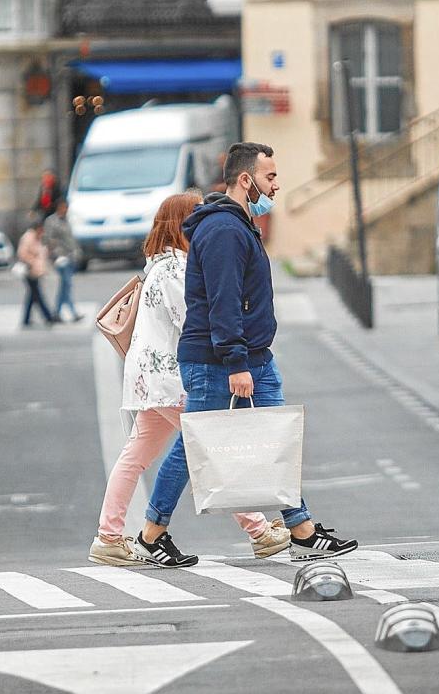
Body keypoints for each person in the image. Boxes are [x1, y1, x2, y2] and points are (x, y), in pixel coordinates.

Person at [133, 142, 359, 567]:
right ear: (245, 179)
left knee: (278, 442)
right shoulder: (223, 230)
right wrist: (236, 363)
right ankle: (151, 534)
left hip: (252, 356)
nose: (276, 185)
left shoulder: (237, 224)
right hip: (218, 362)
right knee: (193, 447)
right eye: (269, 177)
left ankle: (302, 530)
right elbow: (224, 301)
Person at [88, 190, 291, 567]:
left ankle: (109, 535)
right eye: (196, 216)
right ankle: (260, 531)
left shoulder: (160, 266)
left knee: (138, 456)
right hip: (169, 378)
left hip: (151, 379)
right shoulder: (174, 270)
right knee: (208, 446)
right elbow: (193, 320)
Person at [44, 199, 84, 323]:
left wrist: (77, 252)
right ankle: (72, 312)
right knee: (66, 284)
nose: (65, 210)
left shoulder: (67, 220)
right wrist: (56, 255)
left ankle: (57, 312)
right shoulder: (52, 221)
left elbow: (71, 239)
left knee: (65, 286)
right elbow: (49, 240)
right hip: (61, 257)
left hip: (70, 256)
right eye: (63, 208)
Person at [17, 217, 57, 327]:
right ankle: (48, 316)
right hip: (30, 271)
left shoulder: (37, 238)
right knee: (37, 295)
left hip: (35, 271)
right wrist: (32, 262)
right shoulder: (28, 238)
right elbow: (22, 253)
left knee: (32, 295)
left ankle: (26, 319)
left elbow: (41, 253)